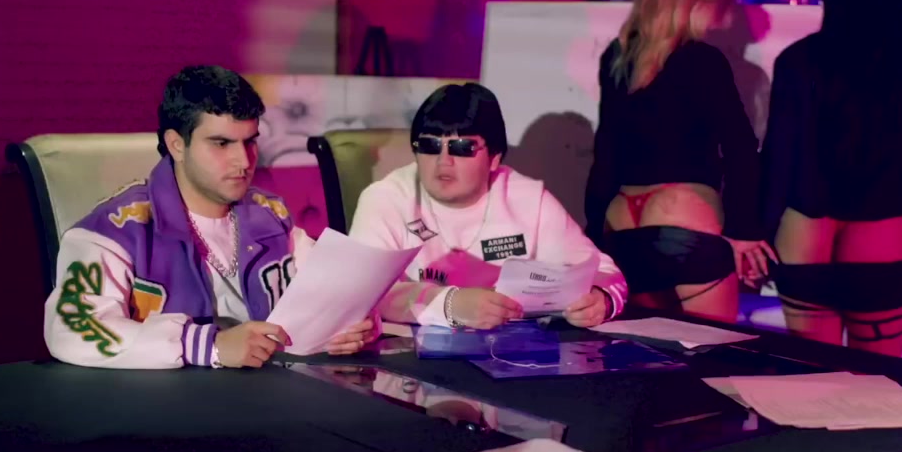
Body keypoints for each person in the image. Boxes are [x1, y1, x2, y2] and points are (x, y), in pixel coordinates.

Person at [44, 65, 378, 370]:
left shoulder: (271, 216)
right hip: (164, 407)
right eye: (221, 143)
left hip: (271, 400)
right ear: (176, 145)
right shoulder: (115, 230)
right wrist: (209, 346)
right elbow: (70, 328)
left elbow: (338, 293)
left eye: (250, 142)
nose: (243, 161)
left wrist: (355, 325)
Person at [761, 0, 902, 357]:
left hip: (804, 235)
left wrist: (756, 236)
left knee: (812, 377)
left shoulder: (797, 61)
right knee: (876, 380)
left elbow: (777, 160)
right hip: (880, 235)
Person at [583, 0, 774, 324]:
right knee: (709, 349)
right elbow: (740, 149)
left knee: (644, 347)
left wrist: (592, 232)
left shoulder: (618, 58)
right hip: (684, 213)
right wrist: (743, 230)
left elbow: (606, 152)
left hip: (622, 217)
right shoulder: (705, 61)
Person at [348, 82, 628, 330]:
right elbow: (360, 294)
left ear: (494, 158)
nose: (443, 161)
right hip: (411, 356)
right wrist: (450, 305)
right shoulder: (387, 198)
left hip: (511, 354)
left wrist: (601, 299)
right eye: (430, 145)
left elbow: (605, 273)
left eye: (462, 147)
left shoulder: (528, 199)